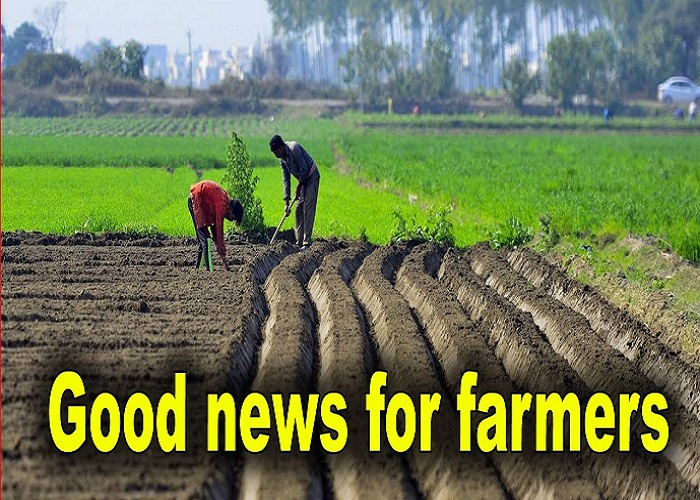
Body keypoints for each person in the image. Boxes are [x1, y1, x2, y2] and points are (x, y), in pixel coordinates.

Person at [269, 134, 320, 249]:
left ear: (281, 147)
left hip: (311, 177)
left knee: (308, 208)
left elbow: (304, 169)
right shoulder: (282, 160)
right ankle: (299, 242)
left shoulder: (294, 149)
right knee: (298, 210)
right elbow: (286, 179)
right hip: (302, 181)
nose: (276, 155)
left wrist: (298, 188)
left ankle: (307, 242)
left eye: (276, 152)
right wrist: (287, 202)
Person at [188, 180, 243, 271]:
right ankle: (209, 271)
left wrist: (221, 252)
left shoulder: (224, 202)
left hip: (201, 201)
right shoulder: (222, 204)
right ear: (231, 210)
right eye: (233, 218)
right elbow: (219, 229)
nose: (231, 220)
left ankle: (198, 269)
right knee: (206, 240)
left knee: (204, 240)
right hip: (196, 199)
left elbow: (215, 229)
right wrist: (221, 249)